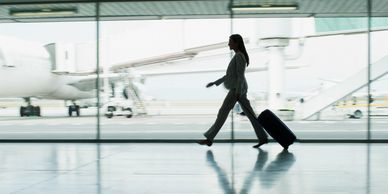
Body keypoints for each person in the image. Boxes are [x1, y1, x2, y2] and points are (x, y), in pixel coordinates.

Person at [197, 34, 268, 148]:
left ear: (237, 43)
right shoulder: (238, 56)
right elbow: (229, 75)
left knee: (223, 112)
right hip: (239, 89)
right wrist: (215, 82)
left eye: (230, 42)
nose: (228, 44)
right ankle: (263, 138)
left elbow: (240, 75)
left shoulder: (239, 56)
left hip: (237, 90)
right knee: (250, 115)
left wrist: (238, 92)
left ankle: (209, 138)